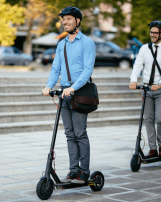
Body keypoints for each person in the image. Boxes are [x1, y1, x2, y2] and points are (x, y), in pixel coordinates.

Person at [42, 6, 96, 184]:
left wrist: (73, 87)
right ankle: (73, 170)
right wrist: (49, 86)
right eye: (63, 19)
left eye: (68, 19)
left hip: (79, 92)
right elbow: (55, 68)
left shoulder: (87, 43)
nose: (64, 22)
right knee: (69, 134)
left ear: (77, 21)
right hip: (64, 94)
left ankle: (84, 171)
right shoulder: (62, 44)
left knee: (80, 133)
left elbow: (87, 70)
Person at [129, 21, 161, 159]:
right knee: (148, 119)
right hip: (146, 89)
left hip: (160, 90)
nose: (152, 35)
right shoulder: (144, 48)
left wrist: (160, 84)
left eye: (155, 32)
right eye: (151, 32)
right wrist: (133, 80)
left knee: (160, 120)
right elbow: (137, 65)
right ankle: (153, 149)